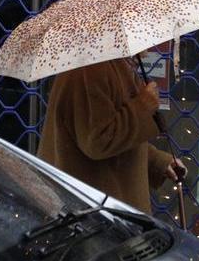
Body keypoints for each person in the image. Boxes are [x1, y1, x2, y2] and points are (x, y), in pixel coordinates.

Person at [37, 56, 186, 213]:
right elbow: (98, 140)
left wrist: (157, 162)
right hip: (95, 217)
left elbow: (112, 131)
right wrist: (144, 105)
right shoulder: (91, 68)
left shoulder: (111, 64)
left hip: (103, 213)